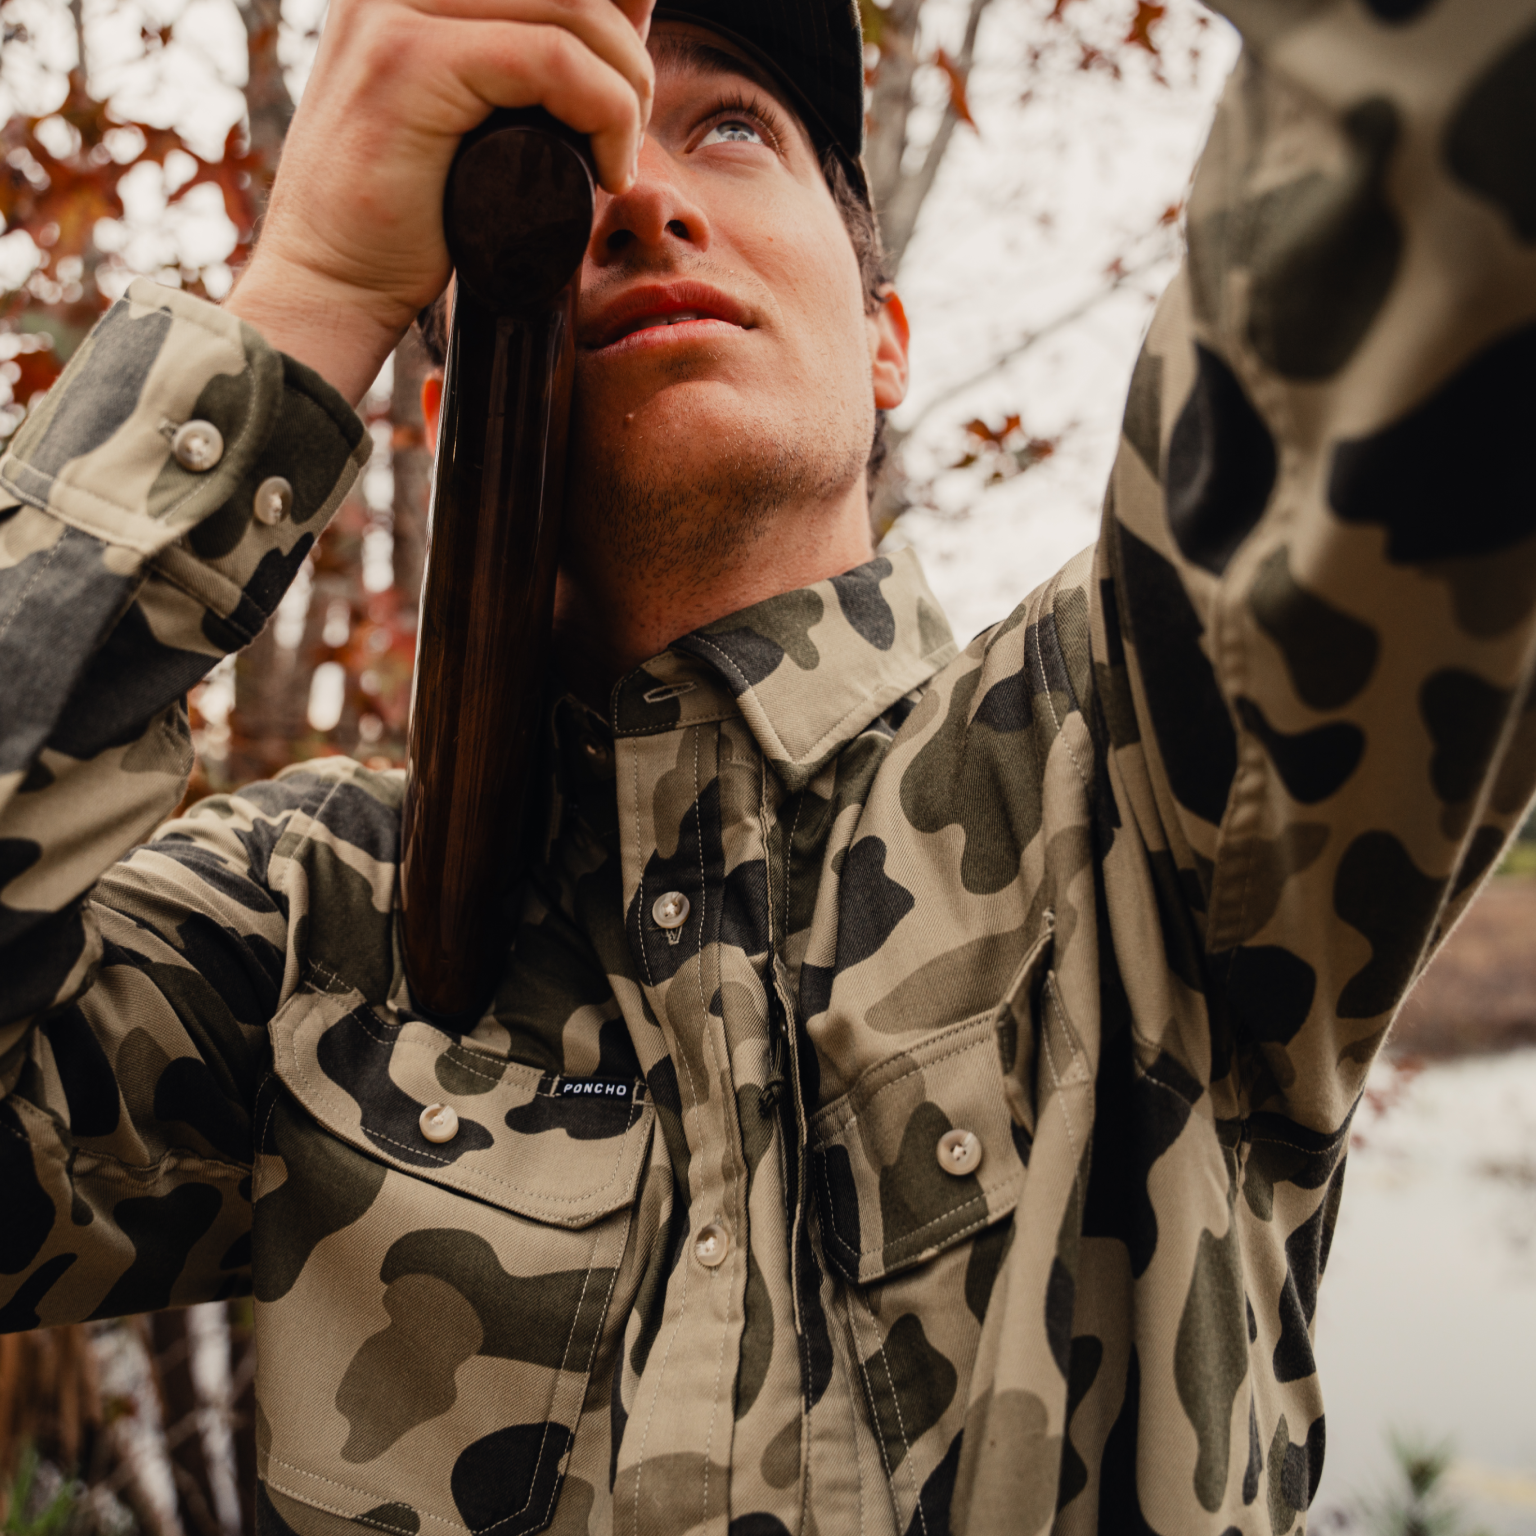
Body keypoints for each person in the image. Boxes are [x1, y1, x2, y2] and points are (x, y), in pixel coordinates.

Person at [2, 0, 1533, 1530]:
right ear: (446, 415)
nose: (648, 197)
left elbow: (1457, 124)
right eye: (569, 162)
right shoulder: (310, 923)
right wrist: (307, 301)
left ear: (885, 340)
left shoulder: (1125, 776)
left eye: (729, 127)